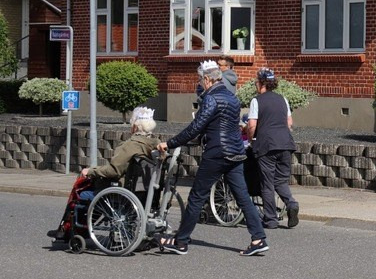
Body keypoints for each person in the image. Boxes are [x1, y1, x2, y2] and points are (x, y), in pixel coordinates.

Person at [157, 60, 268, 256]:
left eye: (200, 80)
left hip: (217, 153)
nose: (199, 84)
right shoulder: (232, 97)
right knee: (243, 197)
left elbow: (195, 127)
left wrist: (170, 143)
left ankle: (181, 242)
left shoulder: (211, 98)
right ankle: (258, 238)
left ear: (207, 79)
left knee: (197, 196)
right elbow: (222, 125)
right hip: (235, 153)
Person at [47, 106, 160, 240]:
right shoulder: (156, 143)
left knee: (82, 190)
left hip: (124, 191)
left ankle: (70, 229)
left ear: (135, 127)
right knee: (93, 190)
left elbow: (114, 170)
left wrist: (91, 171)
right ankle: (75, 228)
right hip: (146, 192)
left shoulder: (131, 145)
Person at [246, 68, 300, 229]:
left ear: (261, 83)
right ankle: (291, 203)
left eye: (256, 81)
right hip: (286, 143)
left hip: (267, 146)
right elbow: (289, 123)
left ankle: (270, 219)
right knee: (280, 180)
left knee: (267, 183)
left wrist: (251, 140)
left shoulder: (257, 100)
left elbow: (251, 125)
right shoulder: (282, 99)